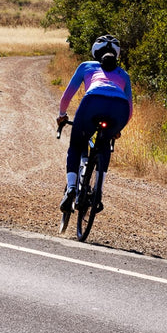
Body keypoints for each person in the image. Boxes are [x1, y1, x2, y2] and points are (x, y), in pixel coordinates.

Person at [56, 35, 133, 214]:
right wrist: (118, 129)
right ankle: (97, 193)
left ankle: (71, 190)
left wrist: (61, 115)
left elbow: (67, 95)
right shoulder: (124, 74)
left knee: (76, 145)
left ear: (95, 52)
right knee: (104, 144)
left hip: (92, 102)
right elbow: (130, 108)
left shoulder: (86, 66)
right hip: (119, 109)